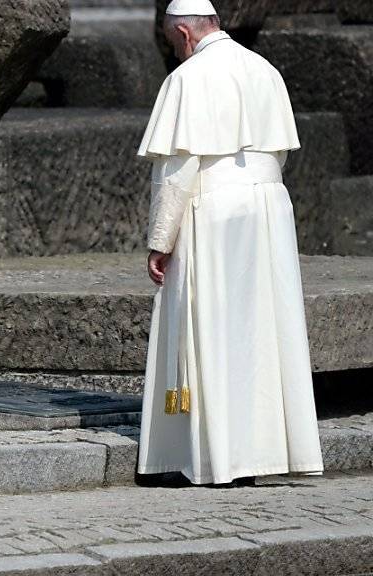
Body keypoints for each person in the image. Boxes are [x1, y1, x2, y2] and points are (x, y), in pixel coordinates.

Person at [135, 0, 325, 486]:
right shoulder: (264, 68)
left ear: (183, 32)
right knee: (263, 332)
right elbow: (279, 151)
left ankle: (217, 459)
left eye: (171, 41)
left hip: (213, 210)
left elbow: (176, 173)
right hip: (269, 207)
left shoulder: (188, 79)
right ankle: (263, 453)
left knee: (213, 328)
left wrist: (160, 240)